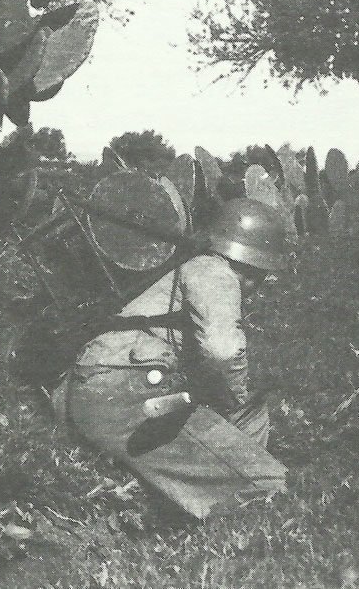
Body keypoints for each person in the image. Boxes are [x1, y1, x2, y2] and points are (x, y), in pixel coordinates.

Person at [52, 198, 290, 520]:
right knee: (269, 487)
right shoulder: (215, 271)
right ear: (255, 264)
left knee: (251, 410)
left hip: (91, 390)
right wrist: (233, 396)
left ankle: (216, 476)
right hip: (127, 393)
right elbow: (223, 351)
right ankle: (233, 490)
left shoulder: (187, 267)